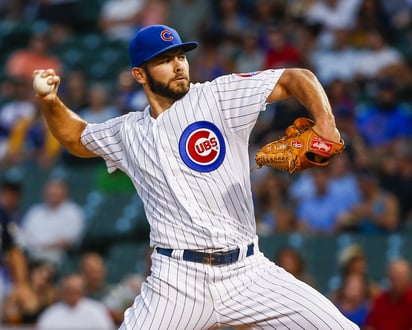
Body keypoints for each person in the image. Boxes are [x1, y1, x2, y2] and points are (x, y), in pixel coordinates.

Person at [33, 24, 358, 329]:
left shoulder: (217, 97)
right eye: (164, 60)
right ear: (139, 74)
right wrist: (50, 102)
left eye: (180, 56)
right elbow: (77, 137)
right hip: (176, 280)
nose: (178, 66)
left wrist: (325, 121)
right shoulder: (127, 132)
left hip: (248, 271)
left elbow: (295, 77)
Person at [18, 178, 85, 268]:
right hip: (30, 254)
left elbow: (69, 240)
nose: (52, 195)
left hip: (58, 256)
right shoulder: (35, 211)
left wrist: (42, 247)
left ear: (65, 194)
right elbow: (23, 235)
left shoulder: (73, 212)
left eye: (56, 193)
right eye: (50, 193)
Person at [36, 273, 115, 330]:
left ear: (82, 291)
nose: (72, 295)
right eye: (68, 291)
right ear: (62, 292)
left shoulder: (97, 310)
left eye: (75, 291)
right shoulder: (50, 314)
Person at [364, 258, 412, 330]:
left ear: (407, 278)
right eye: (394, 277)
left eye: (400, 277)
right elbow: (370, 326)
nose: (396, 282)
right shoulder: (380, 300)